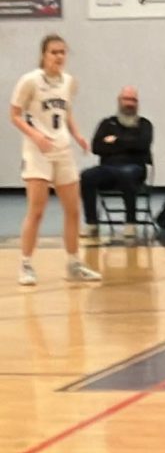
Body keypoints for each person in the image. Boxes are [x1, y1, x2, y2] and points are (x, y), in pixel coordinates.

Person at [9, 34, 102, 285]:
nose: (59, 57)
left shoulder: (69, 82)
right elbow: (14, 115)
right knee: (36, 211)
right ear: (44, 55)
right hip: (37, 151)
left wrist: (78, 135)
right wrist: (36, 136)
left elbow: (65, 111)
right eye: (54, 52)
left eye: (62, 52)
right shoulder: (30, 81)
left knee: (73, 210)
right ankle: (26, 264)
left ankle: (74, 263)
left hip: (62, 150)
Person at [80, 85, 153, 239]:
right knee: (87, 176)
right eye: (126, 99)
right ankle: (91, 223)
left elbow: (142, 144)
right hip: (108, 168)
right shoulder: (107, 124)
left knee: (126, 173)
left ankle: (130, 223)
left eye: (133, 100)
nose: (129, 103)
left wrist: (116, 141)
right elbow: (96, 147)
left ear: (137, 103)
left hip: (135, 168)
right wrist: (128, 144)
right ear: (119, 101)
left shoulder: (145, 124)